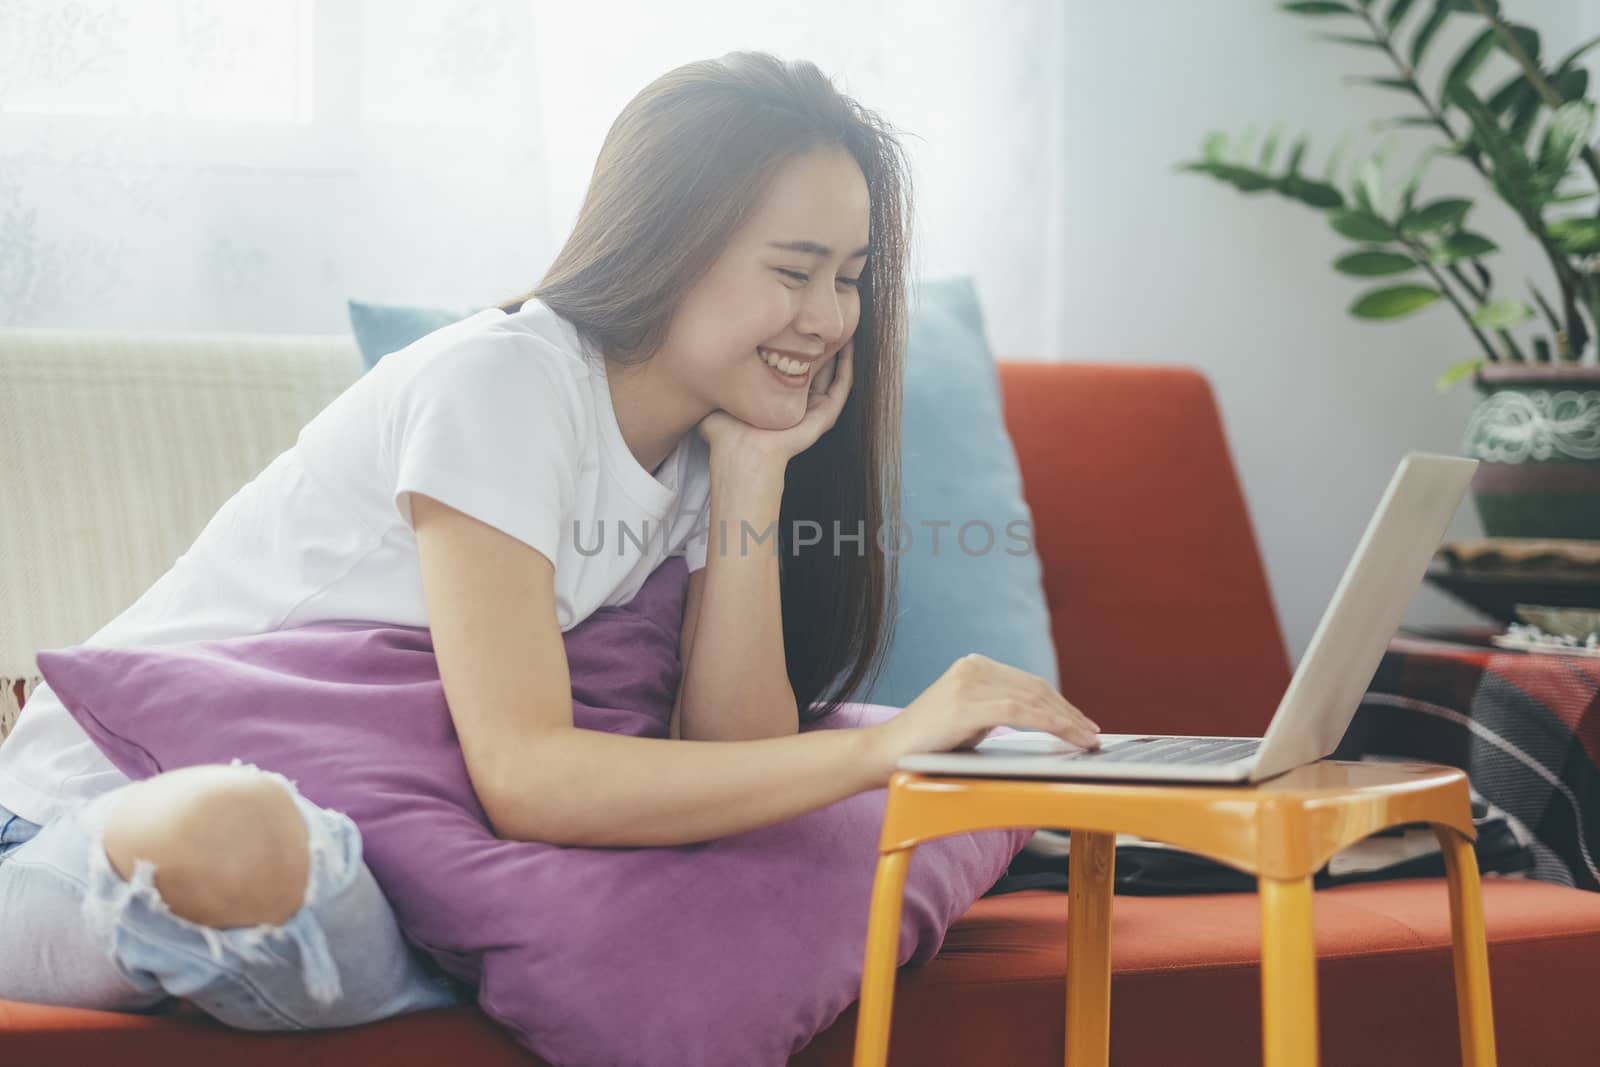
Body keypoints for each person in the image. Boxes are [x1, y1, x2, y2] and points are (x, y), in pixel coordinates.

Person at [0, 51, 1100, 1031]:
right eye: (793, 268)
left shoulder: (703, 448)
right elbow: (528, 777)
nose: (828, 317)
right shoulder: (506, 381)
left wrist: (754, 473)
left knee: (389, 899)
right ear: (672, 245)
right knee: (247, 832)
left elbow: (725, 757)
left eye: (851, 278)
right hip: (103, 808)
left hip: (370, 846)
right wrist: (888, 743)